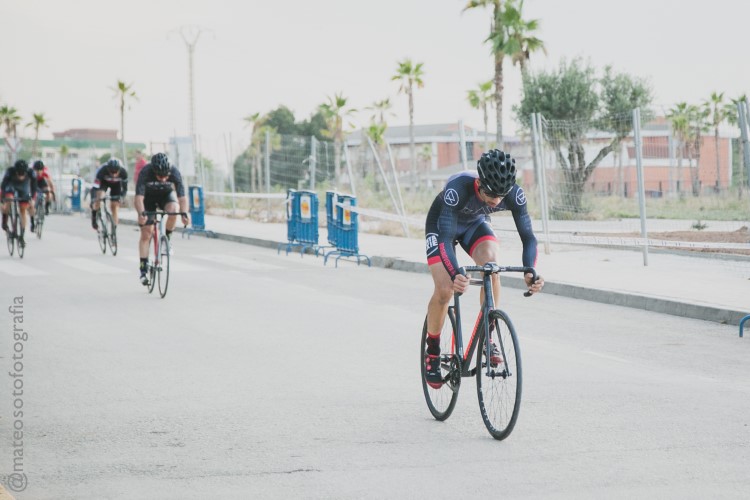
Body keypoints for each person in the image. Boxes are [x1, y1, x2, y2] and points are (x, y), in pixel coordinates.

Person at [423, 149, 544, 388]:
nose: (496, 201)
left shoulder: (515, 194)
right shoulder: (458, 189)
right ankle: (433, 350)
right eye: (490, 194)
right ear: (479, 184)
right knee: (445, 289)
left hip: (474, 224)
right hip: (441, 227)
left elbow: (529, 238)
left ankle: (488, 337)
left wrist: (530, 271)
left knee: (492, 267)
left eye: (501, 196)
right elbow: (445, 240)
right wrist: (456, 273)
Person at [134, 152, 189, 285]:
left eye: (166, 176)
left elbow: (182, 197)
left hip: (166, 196)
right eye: (160, 176)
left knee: (174, 210)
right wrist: (141, 213)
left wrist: (184, 213)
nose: (163, 179)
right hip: (148, 199)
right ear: (154, 171)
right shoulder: (145, 172)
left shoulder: (174, 171)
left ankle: (166, 240)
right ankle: (143, 269)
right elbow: (139, 198)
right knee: (146, 233)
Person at [1, 160, 38, 244]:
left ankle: (22, 235)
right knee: (9, 199)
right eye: (19, 174)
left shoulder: (31, 172)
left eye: (23, 174)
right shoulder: (10, 171)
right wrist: (3, 199)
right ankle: (4, 220)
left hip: (24, 188)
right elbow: (3, 185)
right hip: (11, 186)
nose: (21, 176)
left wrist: (32, 198)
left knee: (23, 209)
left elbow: (34, 187)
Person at [90, 158, 128, 230]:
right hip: (104, 183)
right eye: (112, 172)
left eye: (116, 172)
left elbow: (125, 189)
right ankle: (94, 215)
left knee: (114, 206)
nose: (114, 174)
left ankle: (114, 228)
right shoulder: (102, 170)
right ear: (108, 169)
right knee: (99, 197)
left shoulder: (123, 172)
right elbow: (94, 187)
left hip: (116, 185)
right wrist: (93, 199)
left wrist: (122, 197)